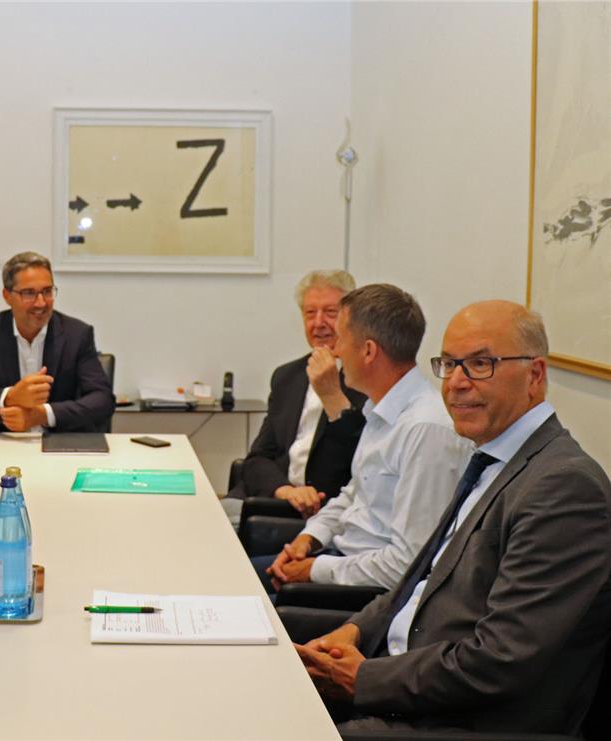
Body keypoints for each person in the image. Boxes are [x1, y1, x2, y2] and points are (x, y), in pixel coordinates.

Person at [296, 301, 611, 735]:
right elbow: (420, 579)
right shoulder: (492, 457)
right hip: (401, 674)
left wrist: (363, 679)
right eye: (449, 364)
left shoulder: (564, 486)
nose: (456, 383)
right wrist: (351, 631)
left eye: (481, 364)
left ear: (535, 375)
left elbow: (501, 660)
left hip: (460, 721)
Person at [262, 284, 470, 591]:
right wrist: (309, 537)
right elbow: (354, 494)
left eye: (341, 339)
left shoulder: (426, 429)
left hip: (364, 592)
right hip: (341, 558)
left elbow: (407, 565)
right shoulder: (379, 409)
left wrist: (314, 570)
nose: (335, 351)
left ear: (369, 351)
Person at [234, 270, 368, 518]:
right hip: (275, 499)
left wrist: (332, 395)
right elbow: (258, 458)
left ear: (352, 319)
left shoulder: (366, 379)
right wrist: (285, 491)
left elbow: (364, 462)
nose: (318, 323)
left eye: (330, 312)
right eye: (310, 313)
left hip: (327, 511)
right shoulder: (287, 377)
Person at [0, 251, 115, 432]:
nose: (41, 303)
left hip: (60, 441)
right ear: (7, 295)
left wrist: (43, 415)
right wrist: (11, 397)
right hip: (4, 439)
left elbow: (102, 400)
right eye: (29, 293)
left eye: (47, 291)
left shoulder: (77, 334)